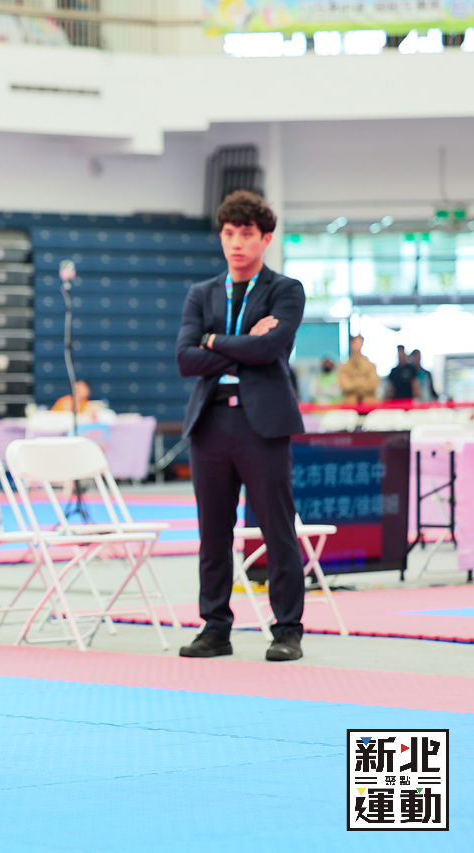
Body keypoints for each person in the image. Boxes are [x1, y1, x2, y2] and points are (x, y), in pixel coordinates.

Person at [175, 189, 307, 663]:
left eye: (246, 234)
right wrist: (237, 343)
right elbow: (185, 359)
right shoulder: (202, 293)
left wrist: (212, 342)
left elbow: (269, 350)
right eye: (229, 233)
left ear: (265, 238)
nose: (236, 242)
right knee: (213, 532)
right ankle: (215, 628)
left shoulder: (285, 290)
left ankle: (287, 629)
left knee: (277, 529)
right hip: (210, 423)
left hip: (263, 425)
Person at [336, 334, 379, 404]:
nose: (357, 346)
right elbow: (345, 386)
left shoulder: (371, 366)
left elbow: (373, 385)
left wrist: (353, 381)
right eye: (355, 343)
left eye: (359, 343)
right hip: (350, 403)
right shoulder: (344, 367)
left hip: (368, 403)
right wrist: (363, 380)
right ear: (351, 344)